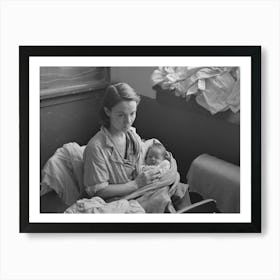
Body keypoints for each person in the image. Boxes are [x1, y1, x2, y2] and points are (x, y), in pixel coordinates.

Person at [83, 82, 161, 200]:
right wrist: (136, 184)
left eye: (132, 113)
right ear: (107, 111)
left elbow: (139, 166)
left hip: (138, 190)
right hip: (115, 199)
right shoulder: (96, 148)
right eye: (121, 115)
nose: (128, 121)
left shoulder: (132, 136)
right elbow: (99, 191)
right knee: (161, 199)